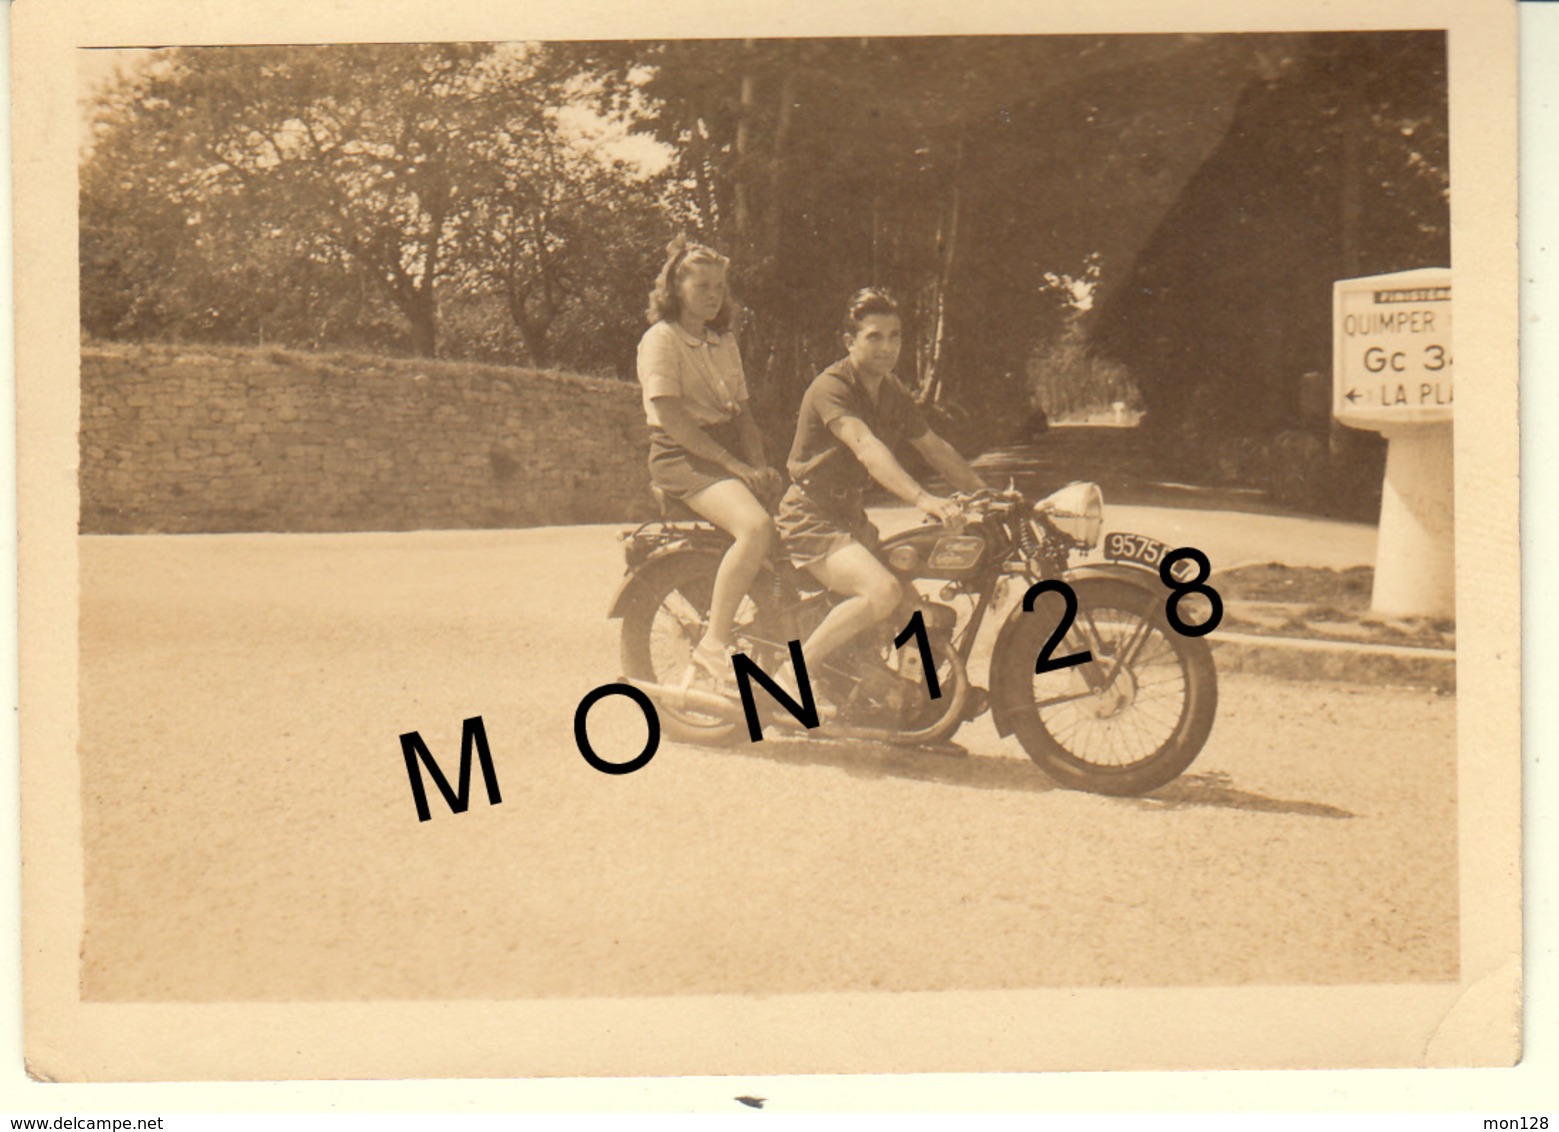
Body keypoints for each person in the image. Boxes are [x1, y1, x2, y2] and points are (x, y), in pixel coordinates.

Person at [776, 287, 989, 696]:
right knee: (882, 592)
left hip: (850, 519)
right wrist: (926, 500)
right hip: (811, 516)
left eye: (895, 337)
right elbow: (866, 447)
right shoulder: (831, 387)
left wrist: (983, 494)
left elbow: (933, 447)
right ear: (849, 341)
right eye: (874, 336)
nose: (887, 347)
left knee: (919, 614)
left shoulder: (891, 391)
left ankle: (914, 705)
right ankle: (788, 679)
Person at [636, 236, 783, 692]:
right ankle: (714, 646)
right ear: (677, 289)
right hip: (683, 456)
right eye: (702, 286)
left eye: (719, 286)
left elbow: (743, 414)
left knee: (797, 525)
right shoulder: (660, 339)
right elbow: (673, 417)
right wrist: (732, 465)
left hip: (726, 453)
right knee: (755, 528)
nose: (713, 294)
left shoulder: (723, 341)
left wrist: (759, 468)